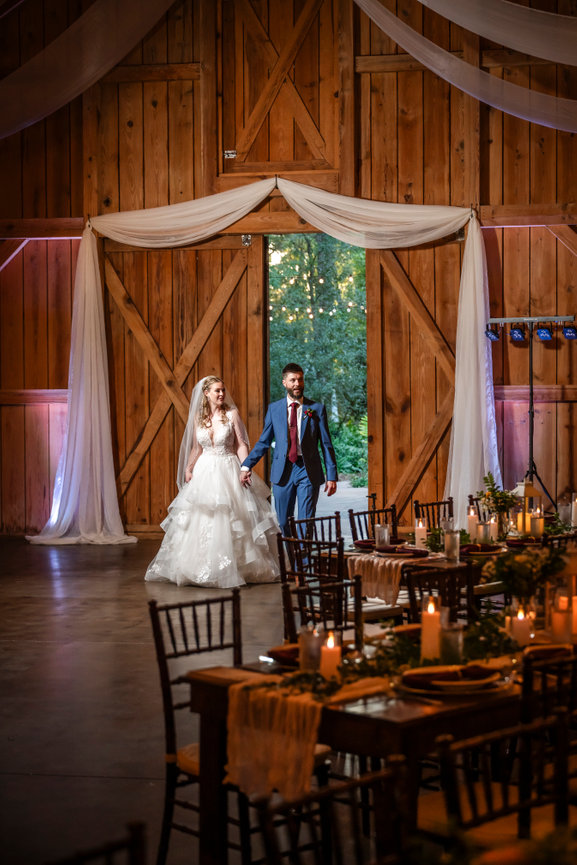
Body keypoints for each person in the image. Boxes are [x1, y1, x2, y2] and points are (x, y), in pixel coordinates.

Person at [145, 375, 279, 587]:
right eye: (217, 390)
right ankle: (195, 568)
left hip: (228, 468)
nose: (222, 394)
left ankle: (235, 568)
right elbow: (196, 448)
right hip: (204, 470)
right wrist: (189, 468)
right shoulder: (199, 418)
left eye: (223, 390)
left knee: (232, 517)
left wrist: (245, 467)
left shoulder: (232, 414)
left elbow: (241, 444)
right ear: (206, 393)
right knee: (201, 517)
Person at [240, 363, 338, 536]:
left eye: (300, 379)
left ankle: (304, 555)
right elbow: (264, 442)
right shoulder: (274, 409)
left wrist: (331, 476)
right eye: (293, 380)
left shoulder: (316, 409)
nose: (297, 384)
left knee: (306, 522)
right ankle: (291, 554)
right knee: (284, 522)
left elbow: (326, 444)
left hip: (307, 470)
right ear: (284, 382)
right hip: (283, 470)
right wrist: (247, 465)